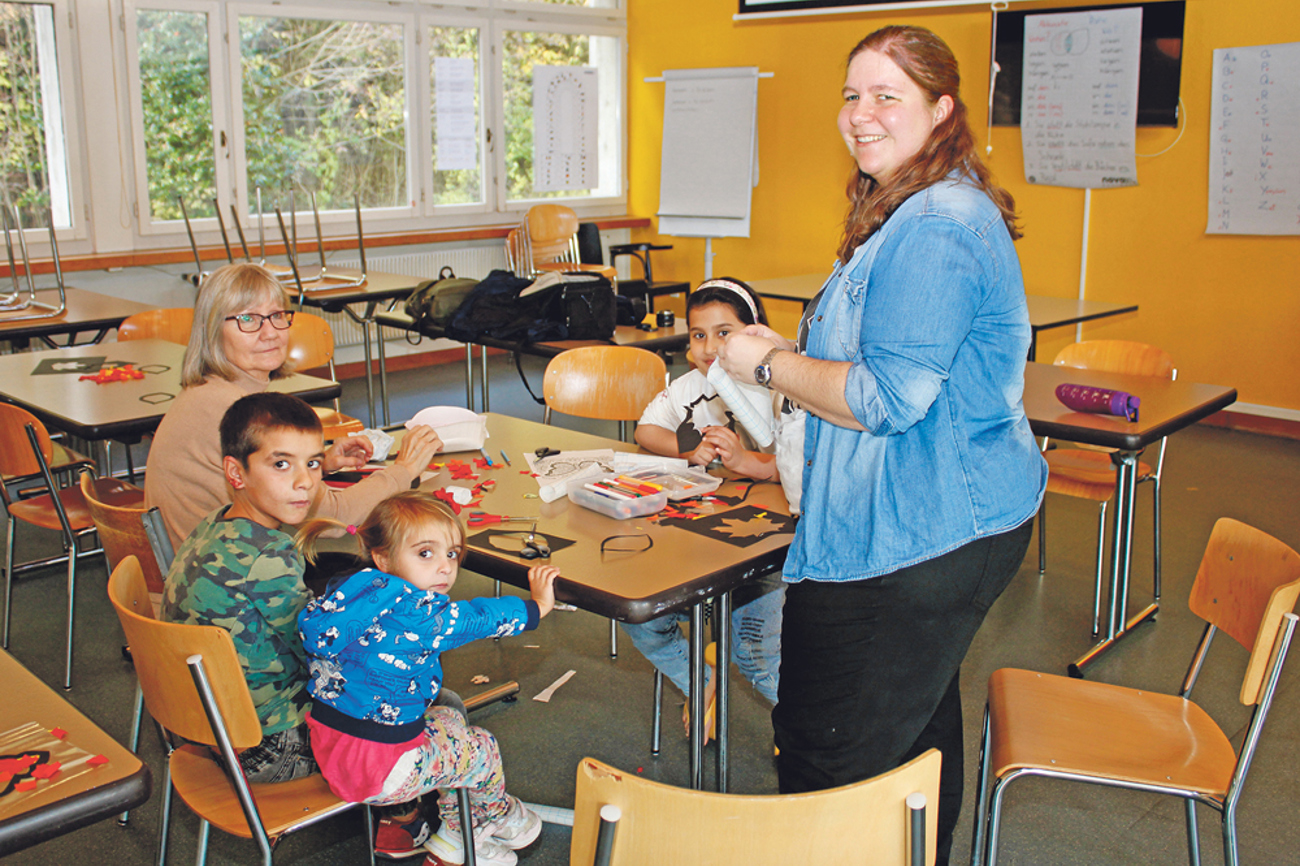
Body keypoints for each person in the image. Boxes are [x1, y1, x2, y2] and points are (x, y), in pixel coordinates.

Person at [714, 26, 1048, 865]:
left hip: (918, 534)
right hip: (928, 515)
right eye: (852, 94)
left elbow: (884, 399)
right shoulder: (910, 206)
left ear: (942, 110)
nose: (861, 115)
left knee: (829, 748)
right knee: (915, 729)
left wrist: (772, 363)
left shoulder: (937, 224)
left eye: (887, 95)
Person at [297, 490, 558, 866]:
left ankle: (451, 823)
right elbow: (476, 617)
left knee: (450, 719)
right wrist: (536, 607)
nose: (445, 567)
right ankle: (479, 827)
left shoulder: (349, 590)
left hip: (333, 751)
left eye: (451, 553)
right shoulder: (419, 613)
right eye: (425, 553)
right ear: (383, 557)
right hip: (384, 768)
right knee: (482, 748)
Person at [145, 262, 443, 550]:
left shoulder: (207, 392)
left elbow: (256, 478)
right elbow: (335, 520)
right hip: (228, 589)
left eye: (276, 315)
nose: (270, 332)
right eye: (247, 319)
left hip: (204, 572)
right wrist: (404, 469)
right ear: (213, 332)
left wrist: (320, 463)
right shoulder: (233, 412)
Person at [629, 278, 783, 730]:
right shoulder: (689, 386)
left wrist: (746, 462)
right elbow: (646, 429)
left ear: (755, 333)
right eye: (699, 335)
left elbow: (794, 466)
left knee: (755, 656)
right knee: (642, 615)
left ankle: (800, 727)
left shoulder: (777, 386)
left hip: (766, 547)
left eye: (725, 333)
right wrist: (686, 453)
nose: (710, 346)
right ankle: (700, 679)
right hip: (698, 542)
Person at [162, 392, 326, 784]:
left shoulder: (214, 523)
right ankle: (404, 823)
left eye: (314, 463)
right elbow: (321, 652)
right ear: (236, 474)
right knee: (431, 706)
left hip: (208, 728)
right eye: (282, 464)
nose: (305, 482)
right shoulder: (268, 555)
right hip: (269, 747)